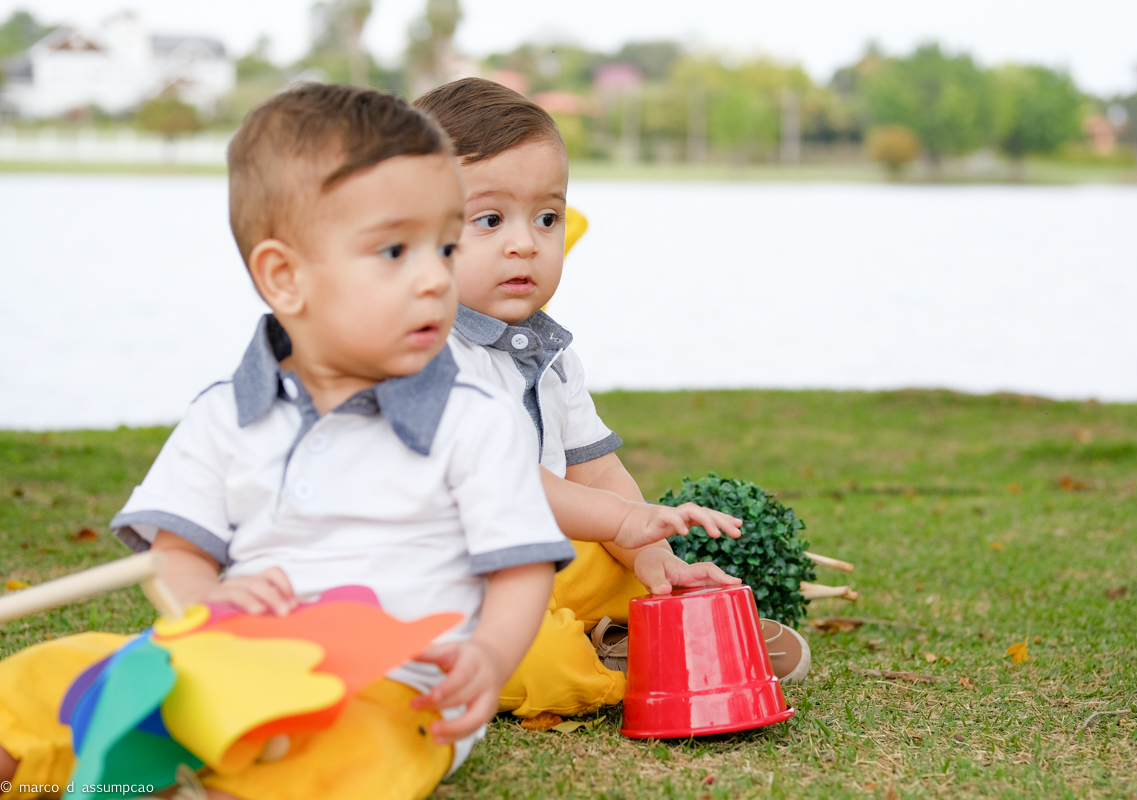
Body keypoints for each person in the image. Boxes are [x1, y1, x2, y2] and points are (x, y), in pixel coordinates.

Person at [0, 84, 592, 800]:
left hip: (394, 689)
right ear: (285, 277)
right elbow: (177, 553)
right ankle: (50, 755)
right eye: (395, 250)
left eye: (444, 245)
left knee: (347, 751)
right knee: (56, 676)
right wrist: (210, 600)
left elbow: (521, 567)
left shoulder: (476, 419)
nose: (435, 278)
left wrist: (490, 657)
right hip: (229, 660)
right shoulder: (225, 414)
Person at [413, 78, 810, 721]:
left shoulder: (550, 352)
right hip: (448, 587)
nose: (526, 243)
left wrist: (649, 549)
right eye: (490, 219)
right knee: (537, 661)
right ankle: (617, 666)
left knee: (625, 568)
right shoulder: (423, 356)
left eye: (547, 217)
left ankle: (654, 628)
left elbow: (593, 470)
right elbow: (500, 486)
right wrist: (621, 523)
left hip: (537, 564)